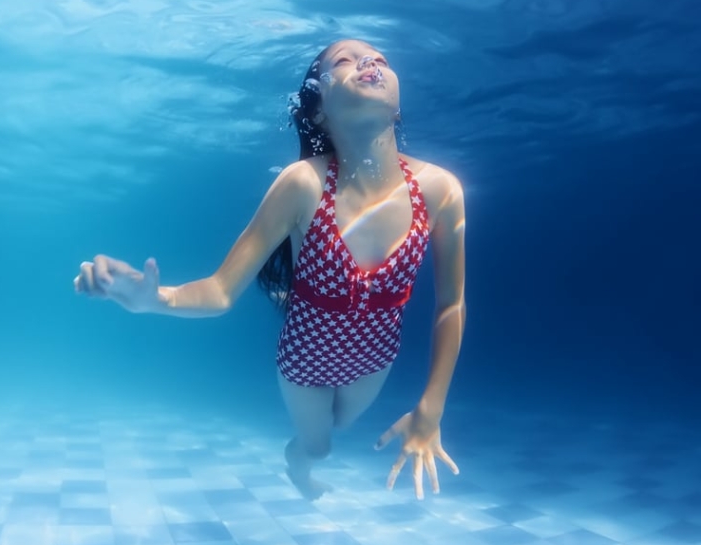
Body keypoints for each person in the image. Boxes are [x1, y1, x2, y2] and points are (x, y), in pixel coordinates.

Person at [74, 39, 466, 501]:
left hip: (374, 358)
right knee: (318, 447)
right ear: (319, 111)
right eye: (343, 60)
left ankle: (290, 297)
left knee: (343, 424)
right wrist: (154, 300)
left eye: (380, 58)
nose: (369, 62)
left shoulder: (441, 190)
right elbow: (220, 290)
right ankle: (297, 461)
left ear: (397, 107)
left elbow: (451, 304)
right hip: (304, 359)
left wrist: (431, 408)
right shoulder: (303, 184)